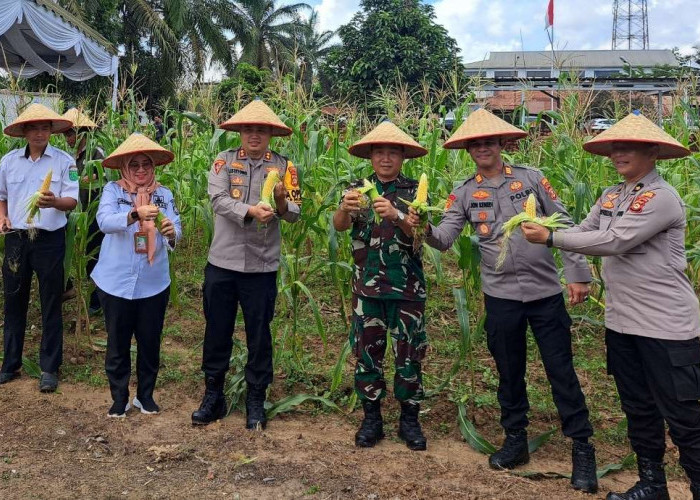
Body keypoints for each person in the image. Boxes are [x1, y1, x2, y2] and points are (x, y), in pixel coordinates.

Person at [411, 108, 598, 492]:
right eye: (475, 143)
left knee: (560, 370)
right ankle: (516, 440)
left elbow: (562, 221)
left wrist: (578, 274)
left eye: (489, 142)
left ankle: (582, 447)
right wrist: (422, 228)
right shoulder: (463, 192)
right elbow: (444, 239)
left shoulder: (532, 179)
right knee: (508, 372)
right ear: (468, 149)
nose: (483, 148)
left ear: (501, 144)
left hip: (546, 295)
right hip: (500, 298)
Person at [522, 111, 700, 500]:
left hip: (666, 328)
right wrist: (549, 227)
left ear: (652, 152)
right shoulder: (611, 195)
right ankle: (653, 485)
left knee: (685, 415)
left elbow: (614, 241)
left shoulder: (660, 198)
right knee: (638, 408)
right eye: (615, 146)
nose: (619, 153)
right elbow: (587, 230)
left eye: (629, 147)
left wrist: (550, 241)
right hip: (622, 324)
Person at [192, 99, 301, 428]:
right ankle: (214, 395)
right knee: (217, 331)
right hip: (222, 263)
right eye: (248, 129)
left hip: (261, 266)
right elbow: (218, 200)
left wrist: (281, 202)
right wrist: (251, 211)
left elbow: (295, 212)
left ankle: (256, 398)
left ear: (270, 134)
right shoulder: (223, 162)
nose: (254, 134)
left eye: (261, 129)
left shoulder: (284, 167)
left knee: (259, 334)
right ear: (240, 132)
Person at [333, 121, 429, 451]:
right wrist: (343, 209)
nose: (385, 158)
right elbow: (340, 225)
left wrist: (397, 216)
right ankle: (371, 418)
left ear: (402, 157)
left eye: (392, 153)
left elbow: (421, 237)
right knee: (367, 356)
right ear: (371, 157)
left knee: (409, 355)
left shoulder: (417, 192)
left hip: (407, 290)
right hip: (367, 290)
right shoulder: (355, 188)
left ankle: (409, 420)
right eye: (379, 153)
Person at [91, 133, 181, 418]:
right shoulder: (112, 191)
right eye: (134, 165)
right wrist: (134, 214)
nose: (141, 170)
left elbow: (177, 228)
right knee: (117, 343)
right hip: (115, 282)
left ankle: (145, 396)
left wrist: (172, 233)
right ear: (124, 168)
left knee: (150, 342)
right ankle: (119, 398)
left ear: (153, 166)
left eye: (146, 164)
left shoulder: (164, 195)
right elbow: (104, 222)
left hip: (153, 283)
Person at [0, 103, 77, 392]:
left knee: (51, 303)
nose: (40, 132)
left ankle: (49, 368)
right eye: (34, 127)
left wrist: (54, 202)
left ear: (51, 131)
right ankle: (10, 364)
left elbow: (72, 201)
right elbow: (2, 196)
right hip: (17, 239)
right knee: (14, 302)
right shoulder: (8, 162)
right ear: (24, 131)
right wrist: (3, 216)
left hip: (49, 240)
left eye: (45, 127)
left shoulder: (64, 161)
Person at [61, 108, 105, 314]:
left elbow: (97, 178)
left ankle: (97, 301)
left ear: (82, 133)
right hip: (77, 212)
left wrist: (77, 182)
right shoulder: (72, 158)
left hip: (94, 212)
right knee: (73, 250)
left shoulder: (96, 152)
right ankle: (70, 287)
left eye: (70, 133)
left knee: (94, 256)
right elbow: (74, 181)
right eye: (66, 134)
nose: (68, 138)